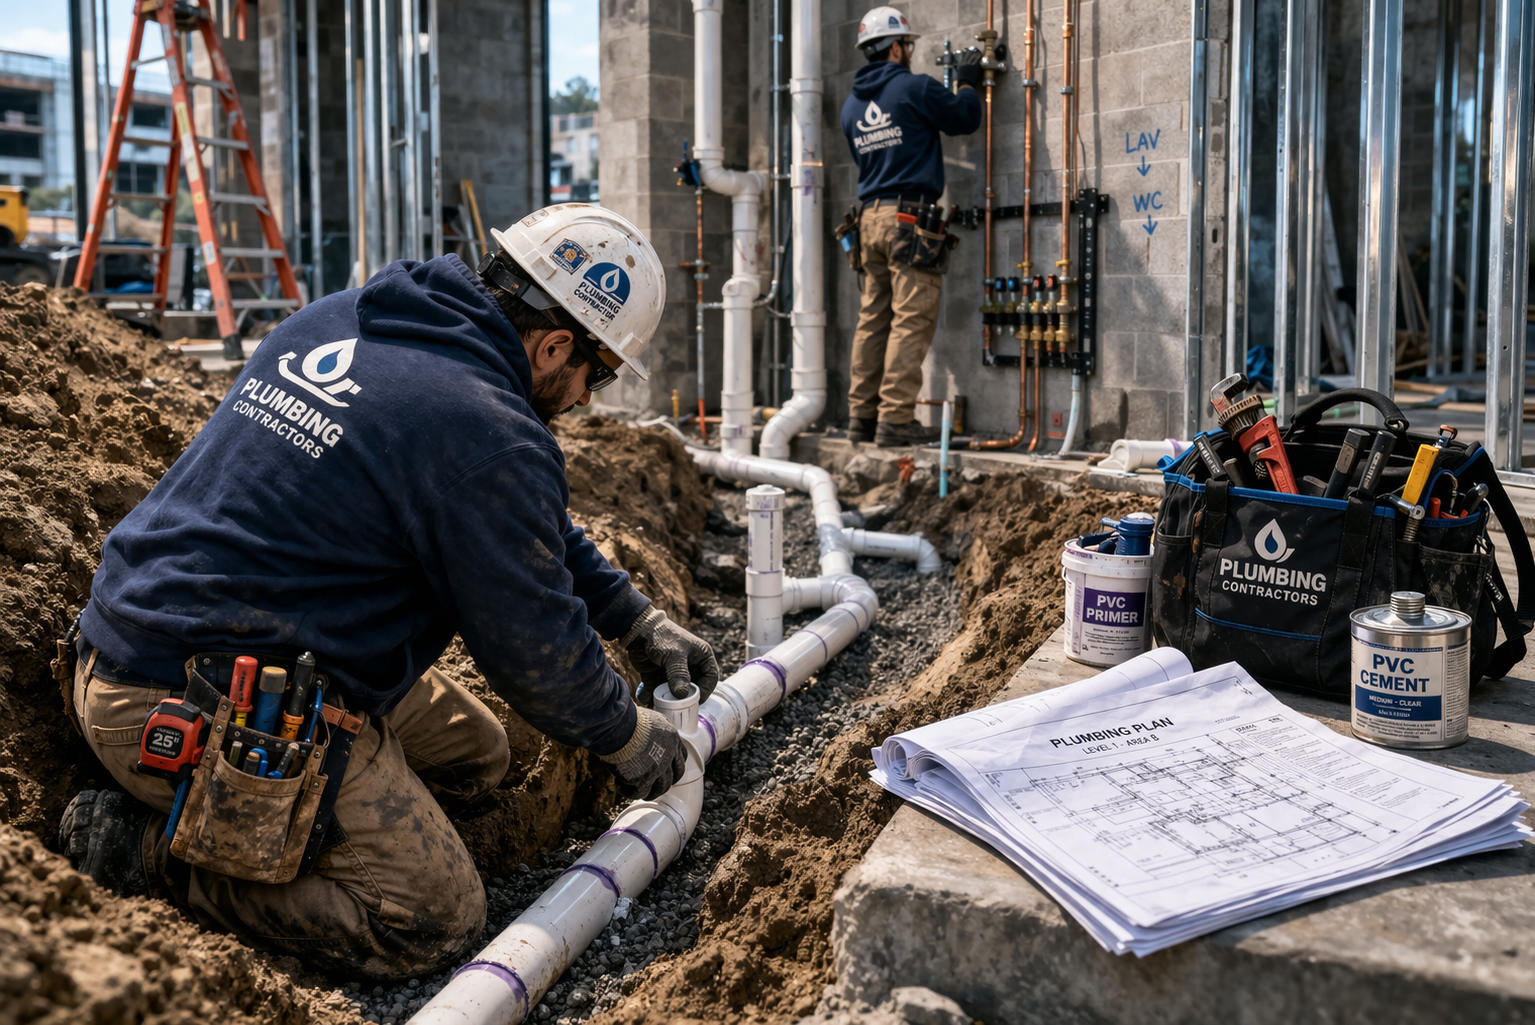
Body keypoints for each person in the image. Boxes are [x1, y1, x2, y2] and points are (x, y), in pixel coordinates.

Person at [56, 204, 719, 980]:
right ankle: (147, 850)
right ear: (554, 344)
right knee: (431, 917)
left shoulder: (358, 315)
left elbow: (518, 521)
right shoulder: (484, 428)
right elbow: (535, 651)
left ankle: (327, 807)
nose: (583, 399)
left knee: (481, 755)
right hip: (189, 694)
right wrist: (625, 736)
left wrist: (634, 618)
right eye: (594, 376)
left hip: (154, 633)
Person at [841, 7, 982, 447]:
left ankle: (861, 417)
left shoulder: (851, 106)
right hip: (908, 218)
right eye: (909, 45)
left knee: (872, 320)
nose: (911, 52)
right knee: (910, 318)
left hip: (868, 219)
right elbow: (963, 118)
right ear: (897, 47)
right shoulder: (914, 87)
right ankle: (896, 420)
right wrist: (967, 82)